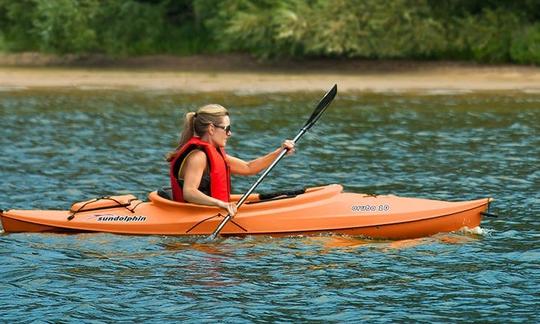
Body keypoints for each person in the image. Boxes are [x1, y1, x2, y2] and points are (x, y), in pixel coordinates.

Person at [166, 104, 295, 217]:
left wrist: (279, 152)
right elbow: (189, 192)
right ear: (211, 129)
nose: (229, 134)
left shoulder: (214, 154)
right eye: (227, 129)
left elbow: (248, 167)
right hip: (192, 215)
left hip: (211, 212)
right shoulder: (198, 157)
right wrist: (220, 204)